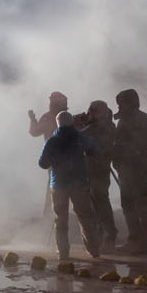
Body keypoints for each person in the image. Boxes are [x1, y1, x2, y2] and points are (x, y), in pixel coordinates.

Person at [37, 111, 102, 261]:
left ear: (57, 123)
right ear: (71, 122)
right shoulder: (80, 137)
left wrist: (54, 160)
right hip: (79, 183)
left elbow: (42, 163)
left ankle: (63, 252)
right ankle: (94, 250)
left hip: (58, 184)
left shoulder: (52, 141)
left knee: (60, 219)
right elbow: (96, 151)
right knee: (85, 217)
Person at [111, 88, 147, 254]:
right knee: (128, 205)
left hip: (139, 169)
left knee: (141, 204)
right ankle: (134, 239)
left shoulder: (142, 119)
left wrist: (136, 150)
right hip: (125, 169)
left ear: (131, 103)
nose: (119, 107)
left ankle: (145, 241)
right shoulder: (123, 121)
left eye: (122, 103)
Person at [79, 99, 119, 252]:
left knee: (99, 203)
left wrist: (78, 125)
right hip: (97, 169)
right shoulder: (108, 126)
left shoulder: (98, 128)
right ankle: (104, 234)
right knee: (98, 203)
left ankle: (109, 234)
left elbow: (78, 137)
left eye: (90, 112)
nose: (88, 114)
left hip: (96, 170)